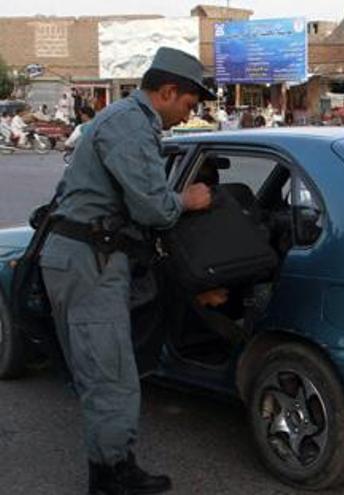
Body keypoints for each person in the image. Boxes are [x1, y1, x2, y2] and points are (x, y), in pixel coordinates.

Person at [39, 47, 215, 495]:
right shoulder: (131, 125)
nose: (186, 116)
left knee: (102, 373)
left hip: (83, 256)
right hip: (89, 261)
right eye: (188, 106)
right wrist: (189, 200)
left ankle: (112, 466)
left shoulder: (120, 119)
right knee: (111, 377)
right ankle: (111, 479)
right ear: (168, 91)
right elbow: (154, 208)